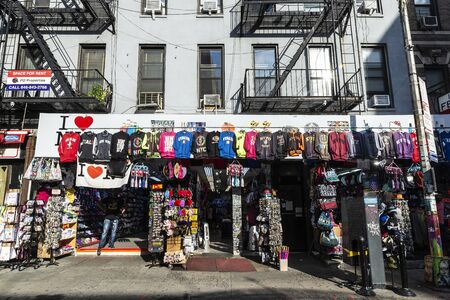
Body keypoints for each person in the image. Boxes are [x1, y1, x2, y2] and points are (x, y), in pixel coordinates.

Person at [96, 190, 125, 256]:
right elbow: (98, 203)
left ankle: (109, 245)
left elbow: (124, 207)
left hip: (113, 217)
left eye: (114, 192)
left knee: (110, 232)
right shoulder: (108, 199)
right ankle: (102, 246)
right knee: (106, 232)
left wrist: (120, 214)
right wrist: (103, 209)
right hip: (108, 217)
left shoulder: (119, 199)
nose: (114, 193)